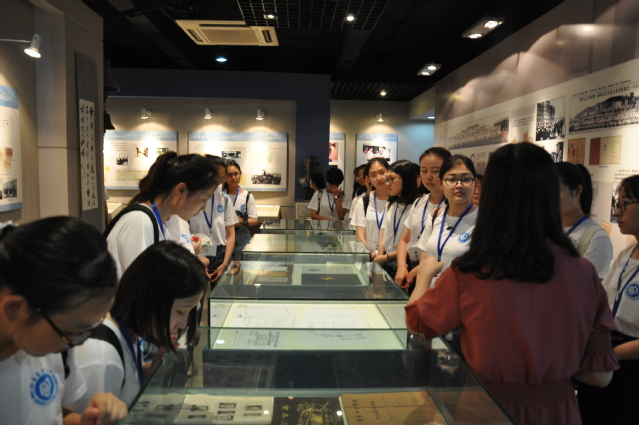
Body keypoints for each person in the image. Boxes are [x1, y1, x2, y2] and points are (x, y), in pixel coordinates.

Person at [405, 143, 618, 425]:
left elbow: (417, 324)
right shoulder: (583, 272)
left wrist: (424, 276)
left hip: (484, 408)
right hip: (559, 411)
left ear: (491, 194)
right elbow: (600, 375)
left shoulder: (470, 271)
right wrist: (549, 365)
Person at [0, 217, 127, 425]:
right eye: (69, 333)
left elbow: (51, 413)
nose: (76, 343)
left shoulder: (54, 343)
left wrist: (86, 420)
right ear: (15, 309)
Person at [70, 241, 209, 410]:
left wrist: (149, 371)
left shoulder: (129, 330)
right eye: (180, 312)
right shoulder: (102, 357)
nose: (183, 323)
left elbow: (124, 382)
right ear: (151, 299)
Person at [578, 174, 639, 425]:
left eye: (624, 204)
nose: (617, 211)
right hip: (607, 355)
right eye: (617, 203)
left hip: (630, 365)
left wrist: (612, 354)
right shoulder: (627, 252)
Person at [105, 152, 221, 277]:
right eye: (204, 199)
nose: (203, 207)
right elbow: (142, 283)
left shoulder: (160, 220)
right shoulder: (139, 221)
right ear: (181, 190)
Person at [416, 154, 478, 287]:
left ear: (475, 182)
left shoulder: (484, 220)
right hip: (432, 293)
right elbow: (423, 263)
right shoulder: (434, 216)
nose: (459, 185)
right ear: (441, 183)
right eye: (451, 179)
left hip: (462, 296)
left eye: (466, 179)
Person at [395, 148, 451, 290]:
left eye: (435, 171)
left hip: (436, 275)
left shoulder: (453, 207)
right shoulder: (419, 202)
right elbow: (404, 240)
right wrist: (402, 266)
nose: (428, 177)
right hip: (411, 269)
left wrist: (420, 268)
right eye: (424, 171)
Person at [556, 162, 613, 279]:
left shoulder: (597, 237)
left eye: (556, 191)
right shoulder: (544, 228)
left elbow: (590, 286)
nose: (550, 197)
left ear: (577, 191)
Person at [190, 155, 238, 282]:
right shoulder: (191, 198)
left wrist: (225, 263)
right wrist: (196, 259)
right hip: (195, 253)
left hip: (220, 254)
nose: (219, 182)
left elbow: (231, 234)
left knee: (219, 292)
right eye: (217, 177)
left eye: (222, 178)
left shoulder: (224, 199)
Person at [375, 160, 419, 278]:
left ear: (406, 179)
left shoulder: (418, 207)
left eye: (392, 179)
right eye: (387, 179)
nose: (388, 183)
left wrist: (386, 257)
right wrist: (380, 258)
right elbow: (382, 238)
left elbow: (414, 245)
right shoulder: (391, 205)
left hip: (404, 267)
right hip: (385, 265)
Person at [352, 158, 390, 254]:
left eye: (382, 172)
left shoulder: (398, 201)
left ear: (389, 172)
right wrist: (370, 254)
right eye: (373, 175)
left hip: (392, 257)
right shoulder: (363, 201)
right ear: (368, 178)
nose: (379, 178)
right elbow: (360, 235)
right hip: (369, 256)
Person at [222, 160, 258, 260]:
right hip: (224, 238)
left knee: (242, 267)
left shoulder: (247, 196)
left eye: (236, 174)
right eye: (229, 174)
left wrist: (241, 221)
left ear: (240, 175)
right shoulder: (220, 196)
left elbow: (254, 220)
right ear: (224, 177)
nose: (233, 177)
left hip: (242, 238)